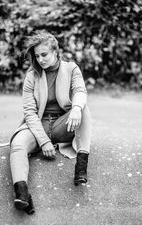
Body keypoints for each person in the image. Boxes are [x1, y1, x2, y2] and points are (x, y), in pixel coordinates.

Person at [10, 30, 92, 215]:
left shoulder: (71, 69)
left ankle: (81, 167)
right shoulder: (32, 75)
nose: (40, 59)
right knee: (17, 145)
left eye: (44, 54)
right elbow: (30, 113)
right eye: (37, 56)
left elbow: (80, 91)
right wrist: (44, 141)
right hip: (38, 125)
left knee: (83, 109)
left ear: (56, 51)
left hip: (63, 124)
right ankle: (22, 194)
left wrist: (76, 108)